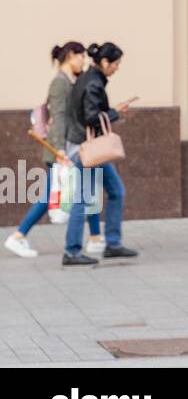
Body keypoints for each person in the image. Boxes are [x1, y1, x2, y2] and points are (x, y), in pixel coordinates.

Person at [5, 42, 83, 258]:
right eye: (80, 56)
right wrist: (59, 150)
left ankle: (96, 238)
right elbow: (57, 118)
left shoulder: (69, 81)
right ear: (70, 56)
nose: (82, 61)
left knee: (59, 193)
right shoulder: (60, 83)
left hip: (63, 148)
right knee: (51, 195)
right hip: (58, 149)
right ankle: (18, 236)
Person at [64, 42, 137, 266]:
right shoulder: (94, 83)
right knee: (83, 199)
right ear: (104, 62)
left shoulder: (88, 78)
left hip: (84, 147)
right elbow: (92, 117)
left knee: (116, 191)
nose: (116, 68)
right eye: (115, 64)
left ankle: (113, 244)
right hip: (87, 149)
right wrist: (115, 112)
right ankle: (72, 252)